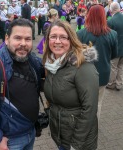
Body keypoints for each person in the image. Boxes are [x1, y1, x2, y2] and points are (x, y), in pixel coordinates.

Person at [0, 18, 44, 150]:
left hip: (30, 133)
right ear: (7, 39)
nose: (23, 43)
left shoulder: (32, 60)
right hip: (8, 141)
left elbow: (50, 72)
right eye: (18, 38)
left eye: (28, 39)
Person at [43, 19, 99, 150]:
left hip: (78, 142)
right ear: (47, 40)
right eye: (53, 37)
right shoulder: (52, 64)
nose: (57, 41)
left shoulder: (83, 67)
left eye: (63, 37)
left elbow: (89, 109)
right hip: (61, 136)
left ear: (71, 40)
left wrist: (76, 144)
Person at [77, 4, 118, 120]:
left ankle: (84, 126)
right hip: (103, 73)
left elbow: (77, 55)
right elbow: (114, 55)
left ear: (89, 16)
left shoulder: (81, 34)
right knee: (98, 102)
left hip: (84, 74)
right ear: (103, 16)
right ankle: (94, 127)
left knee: (83, 102)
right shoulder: (112, 34)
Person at [106, 2, 123, 91]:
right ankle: (119, 84)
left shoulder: (110, 21)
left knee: (113, 67)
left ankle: (111, 84)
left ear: (111, 10)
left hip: (115, 49)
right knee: (120, 66)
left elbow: (108, 36)